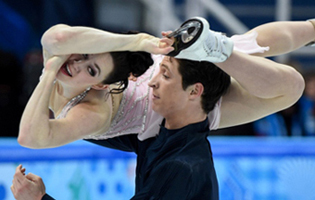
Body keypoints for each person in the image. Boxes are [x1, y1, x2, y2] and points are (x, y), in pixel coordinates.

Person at [13, 17, 314, 199]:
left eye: (90, 64)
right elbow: (58, 39)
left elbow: (32, 137)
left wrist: (49, 72)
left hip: (171, 96)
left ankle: (224, 51)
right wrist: (141, 42)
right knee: (280, 78)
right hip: (167, 76)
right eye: (86, 65)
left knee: (276, 74)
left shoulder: (95, 107)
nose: (75, 63)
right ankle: (223, 51)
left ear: (102, 85)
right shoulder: (91, 103)